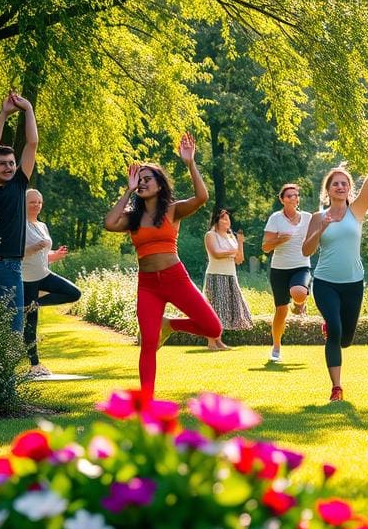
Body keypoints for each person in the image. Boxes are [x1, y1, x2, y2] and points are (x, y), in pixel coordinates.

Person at [104, 133, 223, 397]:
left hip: (175, 278)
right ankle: (146, 402)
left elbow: (202, 197)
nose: (143, 183)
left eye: (148, 179)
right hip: (148, 285)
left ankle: (171, 324)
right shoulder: (132, 218)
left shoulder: (172, 210)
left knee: (213, 328)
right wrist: (128, 190)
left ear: (160, 185)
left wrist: (190, 163)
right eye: (140, 179)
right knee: (148, 344)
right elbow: (109, 223)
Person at [302, 115, 368, 402]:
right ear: (327, 190)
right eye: (335, 184)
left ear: (349, 190)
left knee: (346, 339)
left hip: (353, 282)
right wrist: (322, 228)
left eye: (344, 184)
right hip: (326, 282)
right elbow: (306, 251)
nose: (340, 187)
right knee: (335, 331)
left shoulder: (357, 212)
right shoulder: (318, 216)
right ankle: (336, 387)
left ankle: (333, 329)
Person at [0, 91, 38, 333]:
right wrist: (3, 114)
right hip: (5, 265)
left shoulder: (18, 183)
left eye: (12, 163)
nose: (9, 167)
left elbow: (32, 143)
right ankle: (7, 372)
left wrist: (28, 110)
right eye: (2, 163)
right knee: (13, 330)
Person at [21, 189, 82, 377]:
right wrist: (31, 248)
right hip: (26, 278)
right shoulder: (18, 225)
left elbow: (43, 255)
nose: (37, 205)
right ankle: (34, 366)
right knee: (31, 325)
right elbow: (14, 254)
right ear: (23, 203)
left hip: (43, 274)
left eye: (39, 202)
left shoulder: (42, 226)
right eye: (32, 202)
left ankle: (35, 304)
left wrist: (55, 255)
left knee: (74, 293)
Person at [262, 183, 312, 362]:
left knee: (298, 292)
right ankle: (276, 346)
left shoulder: (307, 218)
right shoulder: (275, 218)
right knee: (281, 311)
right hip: (279, 269)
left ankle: (300, 303)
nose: (294, 198)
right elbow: (265, 247)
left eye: (296, 195)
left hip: (301, 265)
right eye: (290, 195)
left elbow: (318, 235)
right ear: (282, 200)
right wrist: (278, 239)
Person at [203, 207, 252, 350]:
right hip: (216, 275)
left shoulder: (231, 237)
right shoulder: (210, 235)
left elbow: (239, 259)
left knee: (224, 310)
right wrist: (233, 251)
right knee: (214, 309)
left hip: (231, 275)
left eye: (228, 218)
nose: (227, 221)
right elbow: (216, 253)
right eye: (223, 218)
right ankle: (211, 342)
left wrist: (240, 243)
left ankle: (218, 341)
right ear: (216, 220)